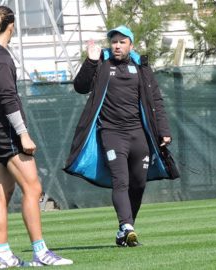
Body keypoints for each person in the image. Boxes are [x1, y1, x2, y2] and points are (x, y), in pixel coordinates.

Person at [0, 6, 73, 268]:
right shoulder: (1, 58)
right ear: (11, 26)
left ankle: (4, 255)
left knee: (1, 193)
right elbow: (8, 98)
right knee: (33, 188)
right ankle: (40, 252)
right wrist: (23, 134)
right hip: (6, 131)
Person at [64, 25, 179, 247]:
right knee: (121, 181)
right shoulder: (102, 63)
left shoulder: (141, 67)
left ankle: (124, 230)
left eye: (122, 41)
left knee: (139, 184)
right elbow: (80, 87)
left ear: (131, 45)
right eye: (114, 41)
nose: (117, 45)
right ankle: (127, 226)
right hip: (111, 132)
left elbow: (156, 100)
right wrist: (90, 61)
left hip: (139, 134)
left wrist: (163, 130)